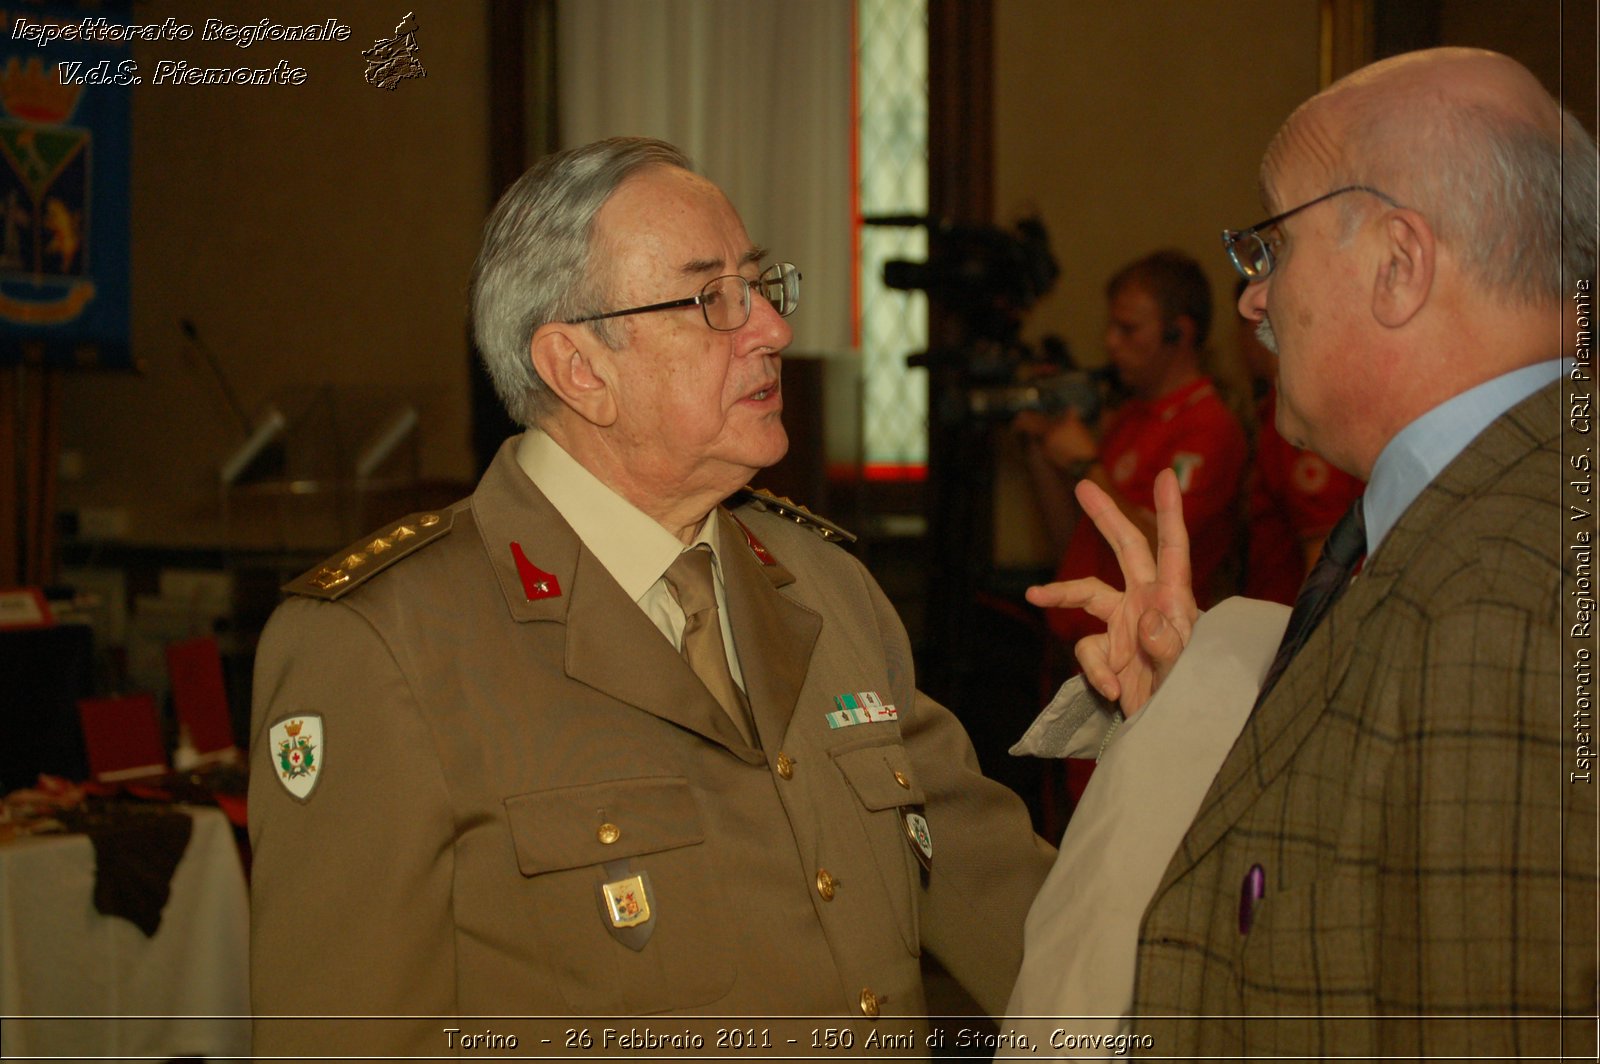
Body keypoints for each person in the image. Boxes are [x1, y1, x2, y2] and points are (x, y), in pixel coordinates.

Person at [247, 137, 1053, 1055]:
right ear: (580, 369)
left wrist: (1176, 735)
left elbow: (1023, 914)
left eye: (759, 284)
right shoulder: (385, 646)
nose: (774, 330)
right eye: (712, 299)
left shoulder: (826, 587)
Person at [1022, 48, 1597, 1058]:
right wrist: (1190, 710)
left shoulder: (1516, 587)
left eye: (1270, 250)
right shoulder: (1487, 516)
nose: (1255, 301)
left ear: (1397, 263)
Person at [1016, 251, 1247, 658]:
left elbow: (1166, 550)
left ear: (1179, 334)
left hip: (1146, 653)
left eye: (1129, 329)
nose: (1111, 342)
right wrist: (1042, 446)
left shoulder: (1208, 426)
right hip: (1080, 642)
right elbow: (1074, 538)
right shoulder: (1129, 416)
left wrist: (1087, 463)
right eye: (1111, 326)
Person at [1235, 277, 1365, 605]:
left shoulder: (1300, 407)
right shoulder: (1278, 408)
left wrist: (1301, 648)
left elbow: (1324, 554)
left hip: (1290, 619)